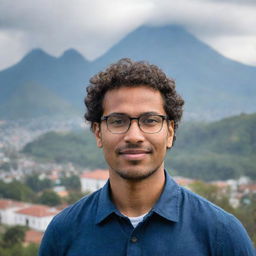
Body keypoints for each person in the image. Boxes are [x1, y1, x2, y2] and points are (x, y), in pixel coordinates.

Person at [39, 58, 254, 256]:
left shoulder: (222, 235)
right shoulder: (63, 233)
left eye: (150, 120)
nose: (134, 136)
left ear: (170, 132)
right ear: (98, 133)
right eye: (117, 121)